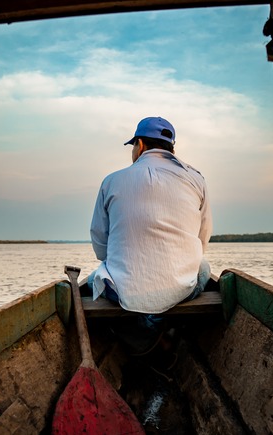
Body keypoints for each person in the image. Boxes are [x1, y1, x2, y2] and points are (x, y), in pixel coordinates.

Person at [88, 116, 213, 358]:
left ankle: (145, 332)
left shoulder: (111, 181)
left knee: (97, 276)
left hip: (121, 292)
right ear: (172, 148)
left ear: (141, 145)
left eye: (133, 146)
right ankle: (163, 329)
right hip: (181, 290)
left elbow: (100, 245)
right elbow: (202, 240)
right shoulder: (196, 179)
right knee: (203, 266)